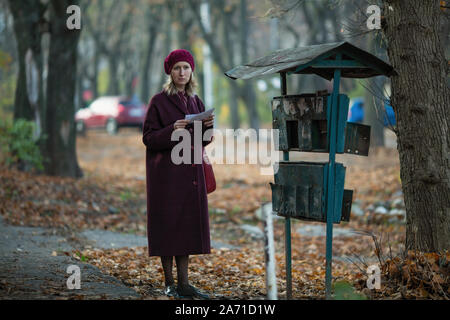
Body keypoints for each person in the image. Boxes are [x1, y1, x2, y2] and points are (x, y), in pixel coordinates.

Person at [142, 49, 215, 299]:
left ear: (191, 70)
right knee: (168, 227)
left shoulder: (196, 101)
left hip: (190, 174)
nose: (182, 72)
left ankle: (184, 285)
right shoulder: (158, 101)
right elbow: (148, 138)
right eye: (177, 68)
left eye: (185, 67)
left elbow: (203, 141)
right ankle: (169, 283)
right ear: (170, 72)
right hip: (166, 176)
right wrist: (172, 129)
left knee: (186, 227)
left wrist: (208, 128)